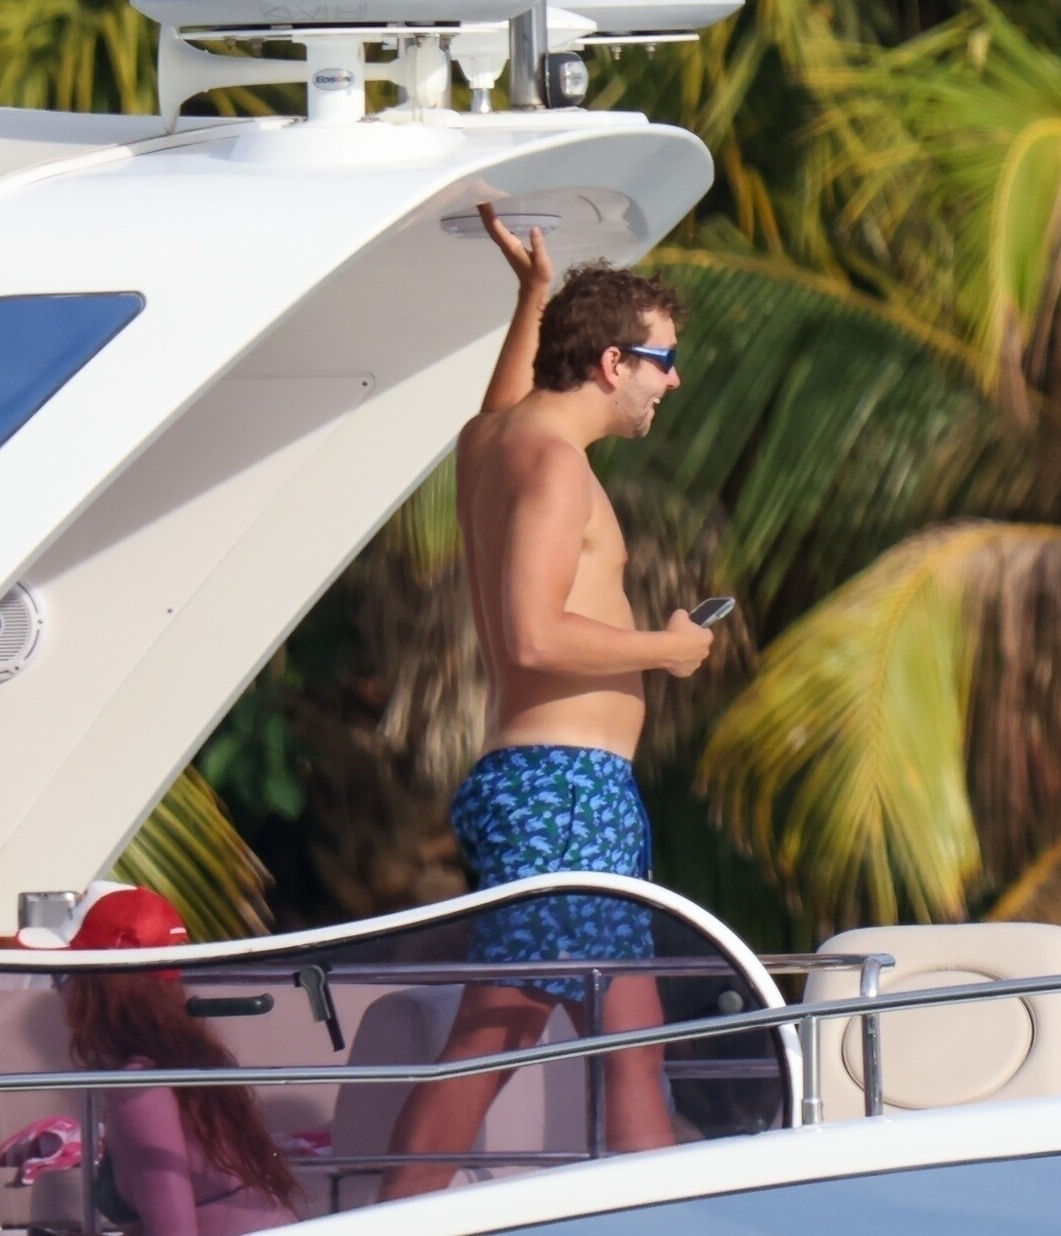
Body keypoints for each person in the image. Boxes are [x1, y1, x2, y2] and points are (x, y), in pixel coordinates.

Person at [376, 205, 714, 1198]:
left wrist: (531, 297)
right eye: (662, 361)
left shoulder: (497, 442)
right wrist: (668, 648)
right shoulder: (555, 464)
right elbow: (532, 637)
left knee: (623, 1044)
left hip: (558, 787)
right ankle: (398, 1219)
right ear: (612, 363)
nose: (671, 381)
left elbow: (506, 401)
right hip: (563, 790)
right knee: (504, 1037)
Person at [21, 882, 300, 1234]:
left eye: (61, 972)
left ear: (97, 983)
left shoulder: (139, 1085)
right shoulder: (188, 1057)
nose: (57, 988)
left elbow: (173, 1231)